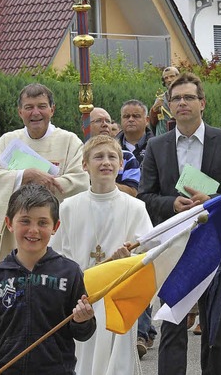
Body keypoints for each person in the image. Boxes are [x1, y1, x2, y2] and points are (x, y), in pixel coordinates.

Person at [138, 72, 221, 375]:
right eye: (176, 98)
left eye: (189, 97)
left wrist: (212, 199)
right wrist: (171, 203)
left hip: (214, 244)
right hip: (173, 248)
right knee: (172, 327)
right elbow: (145, 195)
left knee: (214, 330)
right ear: (169, 107)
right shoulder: (157, 146)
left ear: (203, 103)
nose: (182, 103)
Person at [0, 184, 96, 375]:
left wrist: (82, 321)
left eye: (43, 222)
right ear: (9, 223)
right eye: (25, 221)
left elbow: (83, 334)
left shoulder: (70, 272)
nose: (33, 230)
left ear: (55, 227)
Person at [51, 135, 152, 374]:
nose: (106, 162)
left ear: (121, 165)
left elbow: (146, 254)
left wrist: (127, 258)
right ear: (85, 165)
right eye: (98, 157)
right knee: (82, 360)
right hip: (80, 300)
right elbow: (57, 256)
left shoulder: (136, 208)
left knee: (117, 364)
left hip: (117, 300)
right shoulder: (68, 207)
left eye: (112, 157)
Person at [0, 83, 90, 283]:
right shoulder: (7, 141)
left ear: (52, 110)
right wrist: (24, 175)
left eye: (42, 106)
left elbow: (80, 182)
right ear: (20, 112)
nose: (36, 112)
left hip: (54, 232)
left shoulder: (69, 141)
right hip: (15, 236)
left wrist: (43, 183)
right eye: (29, 107)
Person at [90, 107, 140, 197]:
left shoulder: (126, 157)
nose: (105, 125)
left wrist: (103, 184)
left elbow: (133, 193)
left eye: (108, 121)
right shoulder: (77, 155)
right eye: (98, 121)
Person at [116, 99, 154, 165]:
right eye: (126, 116)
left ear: (147, 120)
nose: (131, 119)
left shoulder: (157, 146)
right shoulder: (112, 148)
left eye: (136, 116)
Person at [149, 66, 179, 135]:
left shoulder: (187, 96)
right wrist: (154, 111)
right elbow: (153, 123)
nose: (169, 80)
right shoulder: (160, 98)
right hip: (162, 137)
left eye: (172, 76)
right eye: (166, 78)